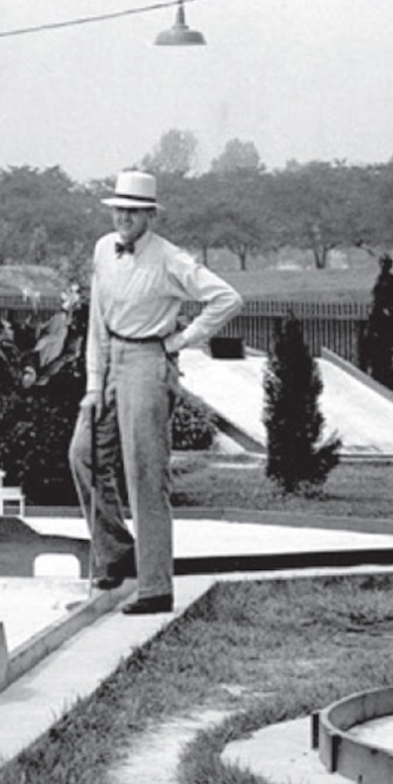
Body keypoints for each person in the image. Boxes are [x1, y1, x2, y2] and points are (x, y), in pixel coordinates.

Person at [68, 169, 241, 615]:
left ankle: (155, 587)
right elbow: (96, 323)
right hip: (111, 360)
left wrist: (180, 341)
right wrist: (94, 386)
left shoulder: (169, 259)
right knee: (84, 455)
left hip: (148, 363)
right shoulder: (104, 250)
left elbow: (226, 298)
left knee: (145, 474)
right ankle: (116, 553)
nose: (123, 217)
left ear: (150, 215)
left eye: (133, 211)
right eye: (118, 209)